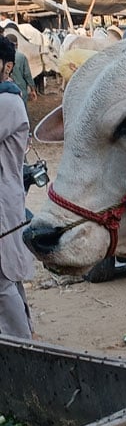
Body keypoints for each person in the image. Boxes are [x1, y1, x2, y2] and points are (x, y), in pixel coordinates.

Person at [0, 36, 34, 339]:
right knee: (8, 278)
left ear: (7, 66)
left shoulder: (7, 102)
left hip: (3, 203)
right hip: (6, 198)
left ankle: (22, 349)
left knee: (2, 281)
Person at [2, 31, 36, 107]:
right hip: (20, 91)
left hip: (5, 91)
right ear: (17, 44)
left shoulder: (3, 57)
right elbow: (27, 75)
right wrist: (33, 90)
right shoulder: (21, 56)